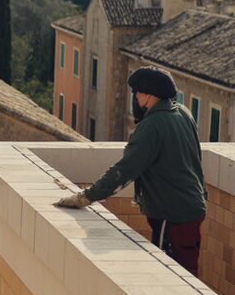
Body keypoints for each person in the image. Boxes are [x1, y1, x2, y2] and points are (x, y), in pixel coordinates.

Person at [55, 66, 207, 275]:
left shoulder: (152, 126)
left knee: (176, 273)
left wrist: (86, 197)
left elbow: (124, 171)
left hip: (172, 215)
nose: (135, 96)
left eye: (138, 92)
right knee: (186, 270)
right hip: (192, 208)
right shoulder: (183, 113)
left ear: (149, 95)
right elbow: (196, 159)